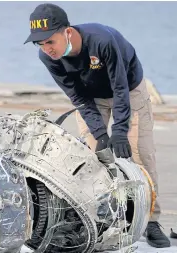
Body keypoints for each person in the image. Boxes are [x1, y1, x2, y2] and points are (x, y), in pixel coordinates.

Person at [24, 3, 171, 248]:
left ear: (67, 32)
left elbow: (121, 88)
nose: (46, 49)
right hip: (91, 97)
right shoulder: (48, 58)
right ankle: (104, 216)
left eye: (50, 41)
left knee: (140, 154)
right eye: (40, 43)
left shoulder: (102, 41)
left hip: (129, 89)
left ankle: (151, 221)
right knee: (93, 157)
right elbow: (78, 98)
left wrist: (120, 131)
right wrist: (101, 134)